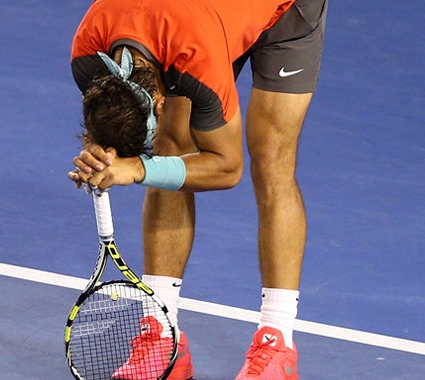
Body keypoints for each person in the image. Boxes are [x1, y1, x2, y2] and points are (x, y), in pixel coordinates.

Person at [66, 0, 327, 379]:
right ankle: (163, 336)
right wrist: (99, 156)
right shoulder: (89, 51)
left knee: (271, 156)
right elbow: (104, 124)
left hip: (284, 12)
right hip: (195, 19)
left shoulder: (193, 55)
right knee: (170, 145)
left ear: (159, 100)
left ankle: (277, 343)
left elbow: (227, 168)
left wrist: (136, 168)